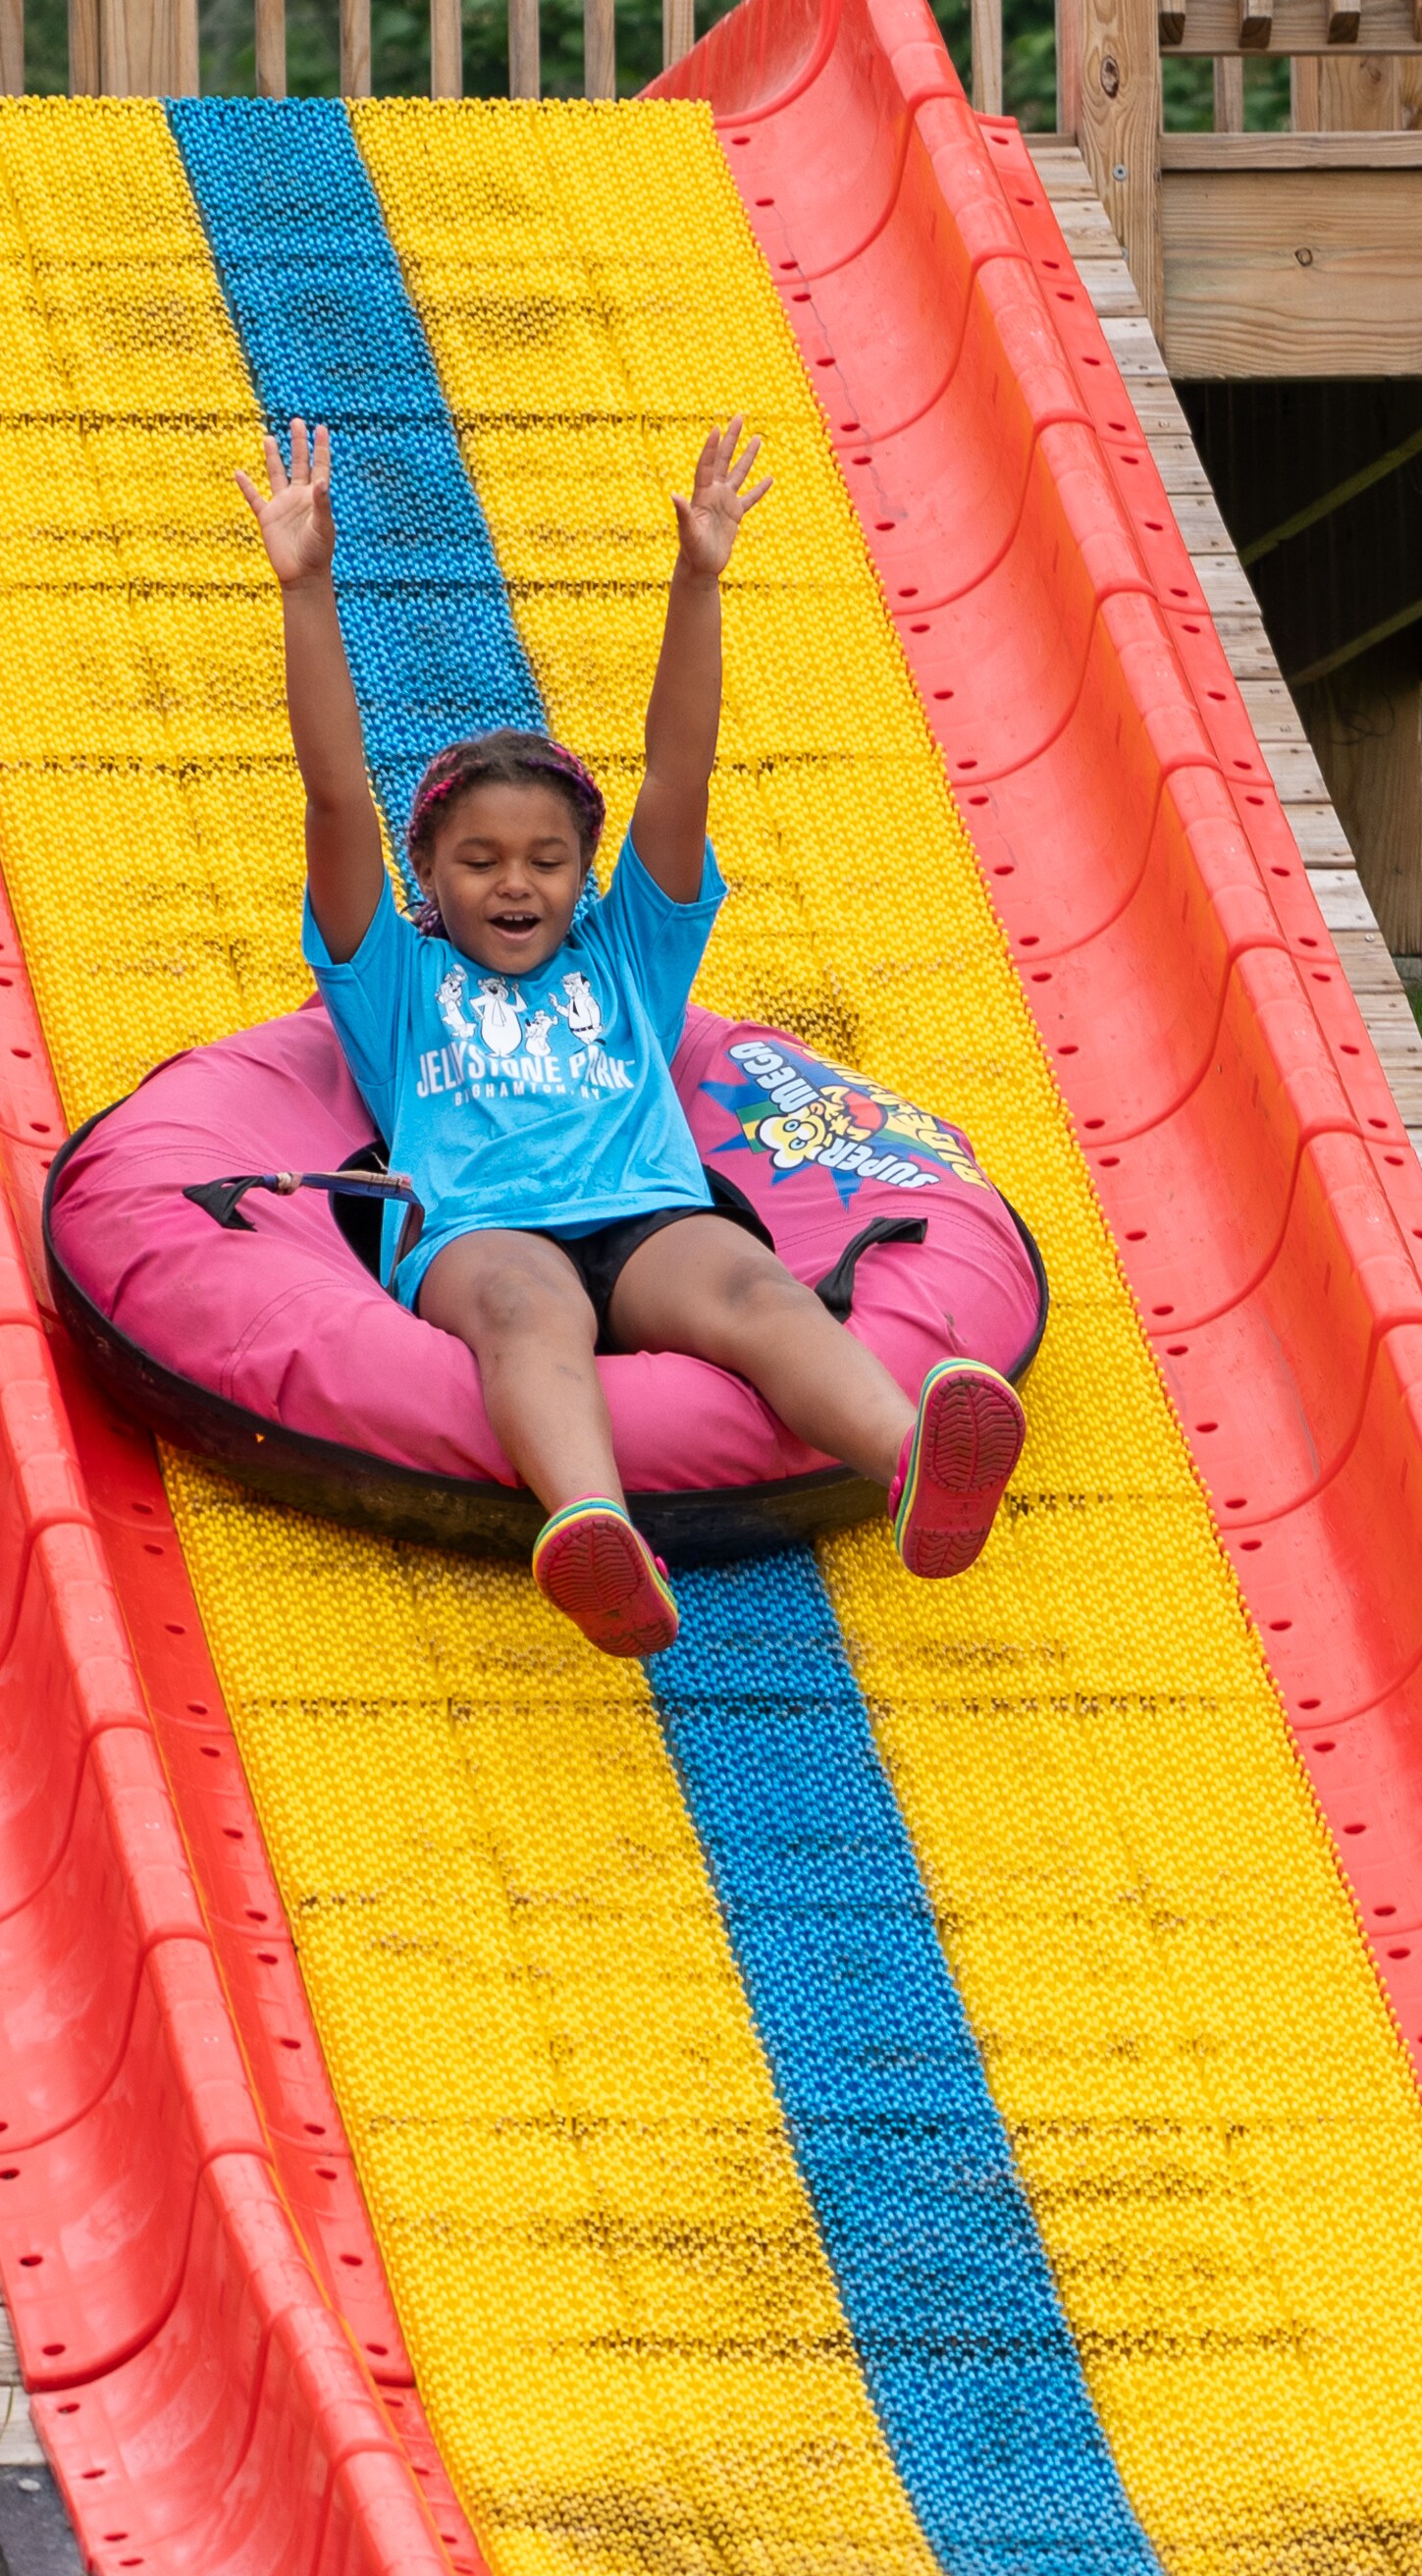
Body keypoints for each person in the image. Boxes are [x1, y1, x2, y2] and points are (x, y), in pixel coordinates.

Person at [235, 414, 1026, 1659]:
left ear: (584, 876)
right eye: (480, 860)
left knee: (758, 1286)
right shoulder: (391, 978)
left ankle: (915, 1460)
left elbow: (678, 772)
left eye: (549, 860)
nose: (516, 884)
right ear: (424, 876)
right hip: (479, 1227)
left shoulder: (625, 956)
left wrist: (699, 577)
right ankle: (598, 1533)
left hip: (648, 1216)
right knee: (521, 1308)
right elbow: (336, 795)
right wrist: (308, 586)